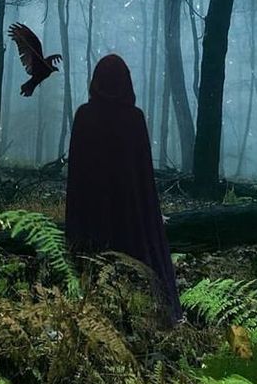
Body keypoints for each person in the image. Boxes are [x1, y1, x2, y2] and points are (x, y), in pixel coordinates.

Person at [65, 54, 183, 325]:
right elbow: (143, 183)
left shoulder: (85, 116)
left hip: (92, 217)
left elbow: (76, 181)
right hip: (130, 219)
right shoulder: (133, 119)